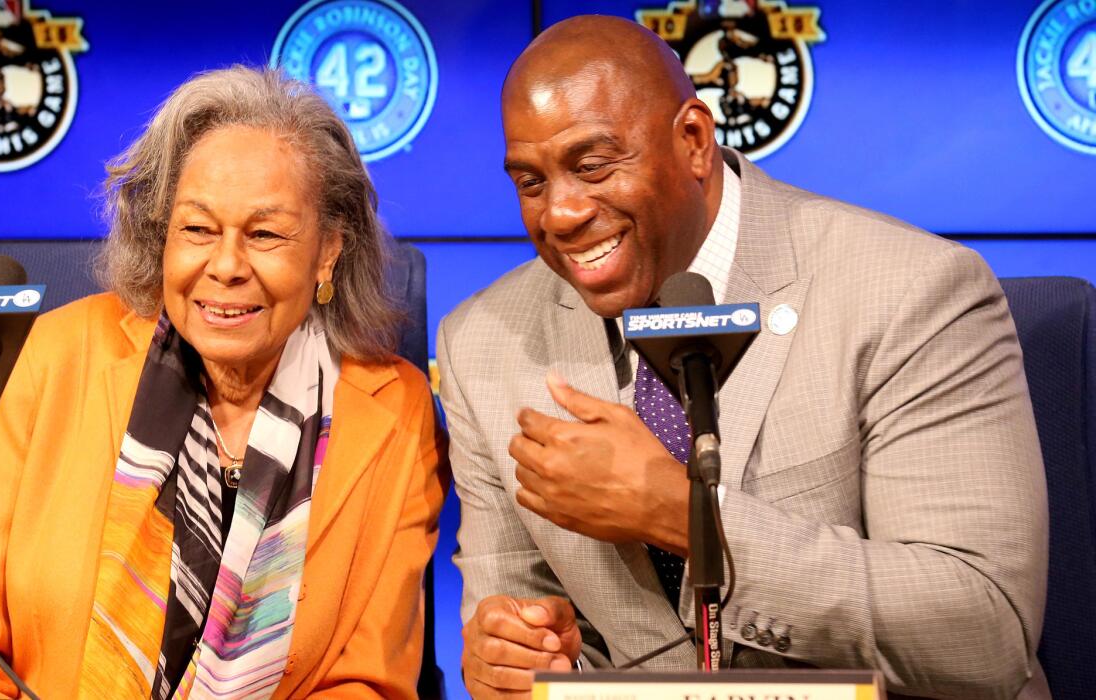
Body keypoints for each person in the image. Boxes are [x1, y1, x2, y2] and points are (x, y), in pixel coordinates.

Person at [437, 15, 1048, 700]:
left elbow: (982, 631)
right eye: (530, 183)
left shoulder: (908, 292)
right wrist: (513, 657)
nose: (560, 214)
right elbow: (526, 627)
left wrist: (682, 515)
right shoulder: (482, 345)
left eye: (592, 167)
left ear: (693, 141)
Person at [0, 66, 447, 699]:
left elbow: (368, 681)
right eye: (197, 229)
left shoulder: (394, 409)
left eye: (265, 234)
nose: (227, 266)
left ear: (327, 251)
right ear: (161, 236)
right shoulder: (45, 363)